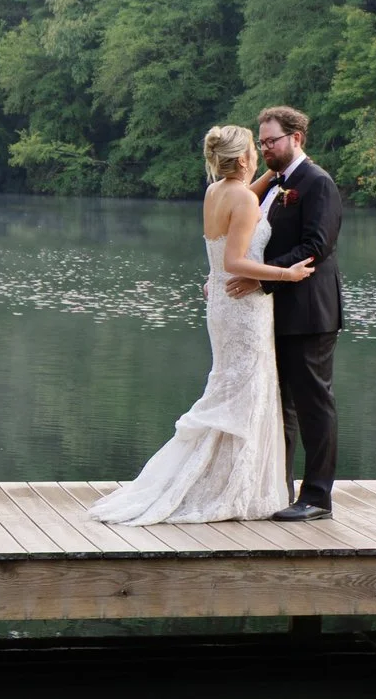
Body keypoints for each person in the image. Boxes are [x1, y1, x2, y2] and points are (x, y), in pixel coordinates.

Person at [90, 124, 317, 524]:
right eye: (254, 150)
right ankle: (230, 487)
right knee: (245, 392)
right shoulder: (244, 203)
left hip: (222, 306)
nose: (259, 155)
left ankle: (224, 478)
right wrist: (287, 275)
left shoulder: (216, 193)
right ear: (244, 158)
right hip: (244, 307)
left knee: (231, 388)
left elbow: (239, 212)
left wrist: (279, 175)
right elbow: (234, 262)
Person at [228, 103, 342, 521]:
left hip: (311, 313)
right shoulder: (277, 183)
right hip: (277, 310)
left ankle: (317, 498)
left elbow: (316, 247)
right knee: (282, 407)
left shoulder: (317, 184)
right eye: (262, 142)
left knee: (315, 405)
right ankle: (280, 488)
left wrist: (261, 279)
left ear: (296, 138)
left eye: (272, 140)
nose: (266, 147)